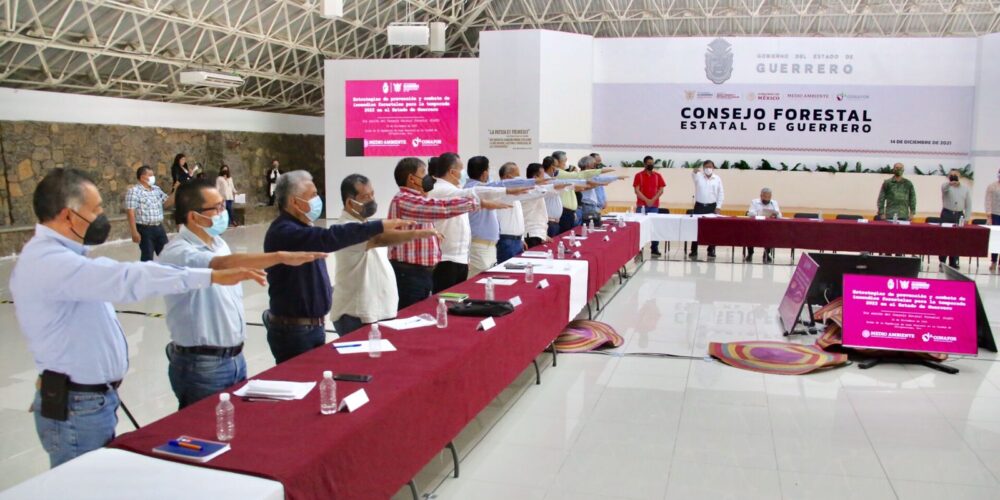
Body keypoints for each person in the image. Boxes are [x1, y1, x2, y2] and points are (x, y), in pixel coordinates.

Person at [11, 168, 265, 467]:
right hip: (77, 403)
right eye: (96, 210)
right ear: (69, 216)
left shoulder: (67, 258)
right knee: (84, 483)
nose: (103, 217)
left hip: (89, 399)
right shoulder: (49, 261)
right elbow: (128, 278)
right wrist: (212, 276)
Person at [161, 180, 327, 408]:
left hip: (234, 358)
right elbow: (220, 264)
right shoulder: (179, 252)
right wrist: (280, 256)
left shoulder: (218, 242)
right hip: (202, 363)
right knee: (204, 429)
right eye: (217, 208)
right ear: (193, 216)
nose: (223, 212)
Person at [262, 170, 413, 364]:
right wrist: (379, 226)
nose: (319, 199)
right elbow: (331, 237)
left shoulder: (304, 227)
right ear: (294, 201)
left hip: (312, 326)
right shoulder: (285, 232)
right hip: (294, 330)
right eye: (313, 195)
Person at [331, 174, 442, 335]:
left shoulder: (364, 225)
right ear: (349, 202)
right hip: (356, 316)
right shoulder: (346, 229)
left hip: (376, 315)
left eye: (372, 194)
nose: (371, 200)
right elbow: (378, 239)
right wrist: (418, 233)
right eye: (365, 197)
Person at [388, 157, 506, 309]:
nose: (429, 178)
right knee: (412, 313)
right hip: (410, 273)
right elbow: (442, 208)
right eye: (424, 173)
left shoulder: (419, 198)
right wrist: (478, 203)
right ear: (412, 179)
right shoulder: (404, 199)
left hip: (424, 271)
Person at [428, 153, 518, 291]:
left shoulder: (455, 190)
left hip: (459, 257)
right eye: (461, 169)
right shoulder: (442, 189)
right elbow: (475, 192)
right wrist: (506, 190)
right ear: (452, 172)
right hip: (446, 258)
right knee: (447, 298)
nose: (463, 173)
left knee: (460, 297)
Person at [464, 156, 538, 277]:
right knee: (479, 282)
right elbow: (499, 185)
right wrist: (532, 183)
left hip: (489, 246)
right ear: (484, 173)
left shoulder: (484, 189)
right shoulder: (477, 189)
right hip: (481, 246)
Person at [125, 165, 174, 261]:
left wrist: (177, 191)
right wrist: (134, 232)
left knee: (166, 255)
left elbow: (167, 202)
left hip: (159, 227)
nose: (153, 177)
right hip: (145, 229)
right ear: (143, 177)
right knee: (147, 257)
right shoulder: (134, 191)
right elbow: (130, 212)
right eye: (150, 175)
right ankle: (145, 275)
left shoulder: (156, 189)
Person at [523, 162, 572, 248]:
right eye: (543, 176)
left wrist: (543, 234)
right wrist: (563, 185)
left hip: (538, 233)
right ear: (535, 177)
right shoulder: (529, 190)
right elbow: (549, 190)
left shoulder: (538, 189)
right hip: (531, 234)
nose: (545, 178)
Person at [689, 160, 725, 259]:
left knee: (712, 229)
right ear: (703, 168)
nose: (708, 168)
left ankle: (711, 250)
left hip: (712, 206)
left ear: (713, 168)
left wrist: (718, 206)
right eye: (706, 167)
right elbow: (693, 174)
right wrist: (694, 171)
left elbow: (721, 193)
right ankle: (694, 250)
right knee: (696, 228)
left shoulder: (717, 178)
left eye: (710, 167)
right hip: (699, 206)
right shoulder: (698, 176)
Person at [938, 169, 972, 269]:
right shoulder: (946, 186)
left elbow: (968, 205)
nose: (953, 177)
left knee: (957, 239)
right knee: (945, 238)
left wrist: (967, 218)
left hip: (959, 215)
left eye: (955, 176)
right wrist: (950, 183)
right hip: (947, 214)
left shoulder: (965, 188)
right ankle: (942, 261)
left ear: (959, 177)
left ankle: (954, 261)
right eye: (951, 175)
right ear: (948, 177)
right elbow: (944, 189)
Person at [634, 155, 666, 257]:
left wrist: (652, 200)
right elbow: (637, 190)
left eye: (652, 163)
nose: (651, 165)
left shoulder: (658, 176)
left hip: (654, 206)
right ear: (645, 164)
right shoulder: (638, 175)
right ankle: (639, 248)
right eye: (649, 163)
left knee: (654, 227)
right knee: (640, 227)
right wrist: (646, 200)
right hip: (641, 206)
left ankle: (654, 248)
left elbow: (661, 190)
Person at [745, 188, 782, 264]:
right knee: (749, 233)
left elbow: (780, 215)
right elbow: (750, 213)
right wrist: (761, 214)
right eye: (764, 197)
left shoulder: (774, 203)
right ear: (761, 196)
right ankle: (750, 253)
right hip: (755, 226)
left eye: (768, 197)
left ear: (771, 196)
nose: (766, 199)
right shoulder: (754, 202)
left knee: (771, 234)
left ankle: (766, 253)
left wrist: (776, 214)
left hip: (768, 228)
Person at [986, 168, 1000, 271]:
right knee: (996, 239)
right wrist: (989, 215)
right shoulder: (992, 186)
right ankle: (993, 261)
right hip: (995, 215)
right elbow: (988, 201)